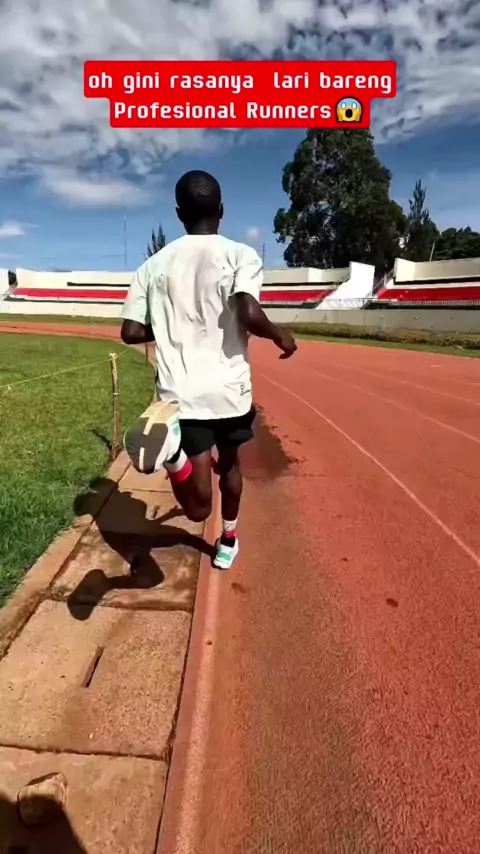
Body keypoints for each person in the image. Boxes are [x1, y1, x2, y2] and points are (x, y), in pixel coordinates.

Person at [120, 170, 296, 570]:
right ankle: (228, 540)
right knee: (230, 465)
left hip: (181, 397)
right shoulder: (240, 255)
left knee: (198, 508)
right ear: (222, 210)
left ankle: (173, 457)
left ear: (179, 213)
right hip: (230, 393)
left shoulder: (152, 266)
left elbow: (130, 332)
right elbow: (248, 312)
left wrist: (171, 326)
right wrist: (281, 335)